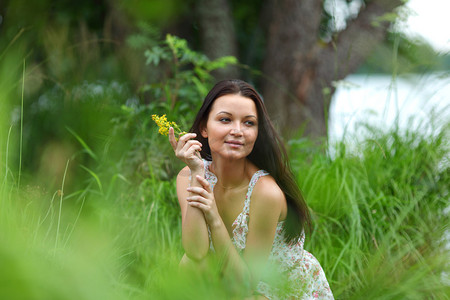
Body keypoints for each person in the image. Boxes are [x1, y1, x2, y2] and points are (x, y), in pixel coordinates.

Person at [168, 79, 333, 299]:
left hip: (273, 288)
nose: (237, 131)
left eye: (248, 123)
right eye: (225, 120)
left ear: (257, 132)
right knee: (188, 266)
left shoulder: (265, 192)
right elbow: (196, 253)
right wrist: (197, 172)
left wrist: (214, 216)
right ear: (204, 128)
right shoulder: (188, 176)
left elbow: (246, 286)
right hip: (230, 275)